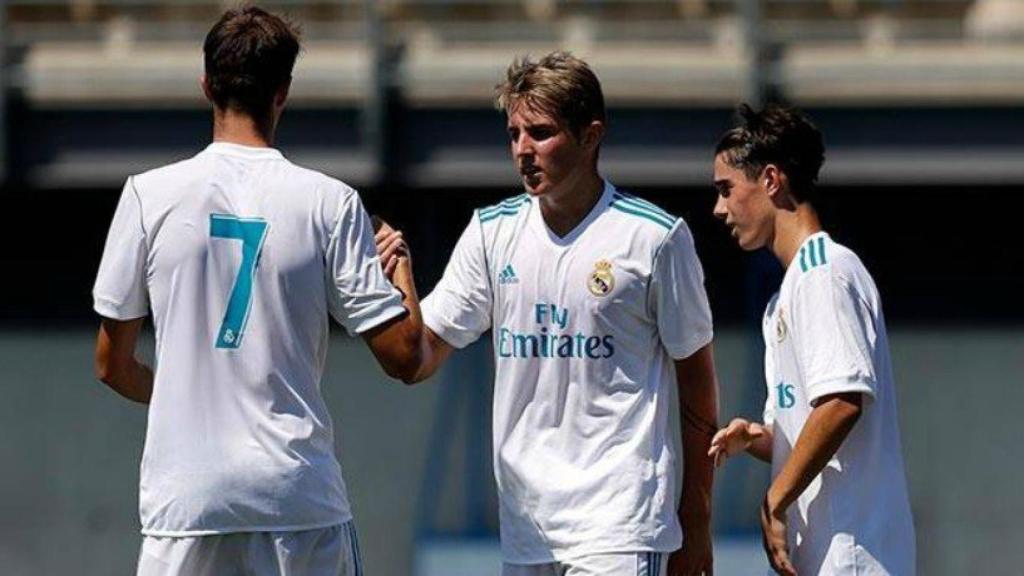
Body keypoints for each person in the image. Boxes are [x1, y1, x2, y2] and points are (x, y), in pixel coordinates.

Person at [92, 7, 422, 575]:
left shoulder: (147, 195)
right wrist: (403, 275)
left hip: (187, 502)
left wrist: (189, 393)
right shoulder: (330, 202)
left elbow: (111, 366)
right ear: (283, 93)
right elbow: (405, 357)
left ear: (206, 87)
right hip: (296, 498)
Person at [376, 52, 719, 576]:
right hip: (527, 529)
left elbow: (697, 384)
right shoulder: (491, 234)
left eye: (540, 133)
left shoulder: (653, 238)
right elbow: (418, 357)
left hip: (620, 525)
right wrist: (399, 274)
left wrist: (694, 519)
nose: (522, 150)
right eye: (514, 134)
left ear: (590, 135)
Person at [707, 105, 915, 575]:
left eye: (726, 190)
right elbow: (809, 428)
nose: (718, 209)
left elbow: (842, 401)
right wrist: (757, 438)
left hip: (854, 555)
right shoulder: (789, 291)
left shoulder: (823, 272)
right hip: (818, 556)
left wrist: (775, 499)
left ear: (772, 180)